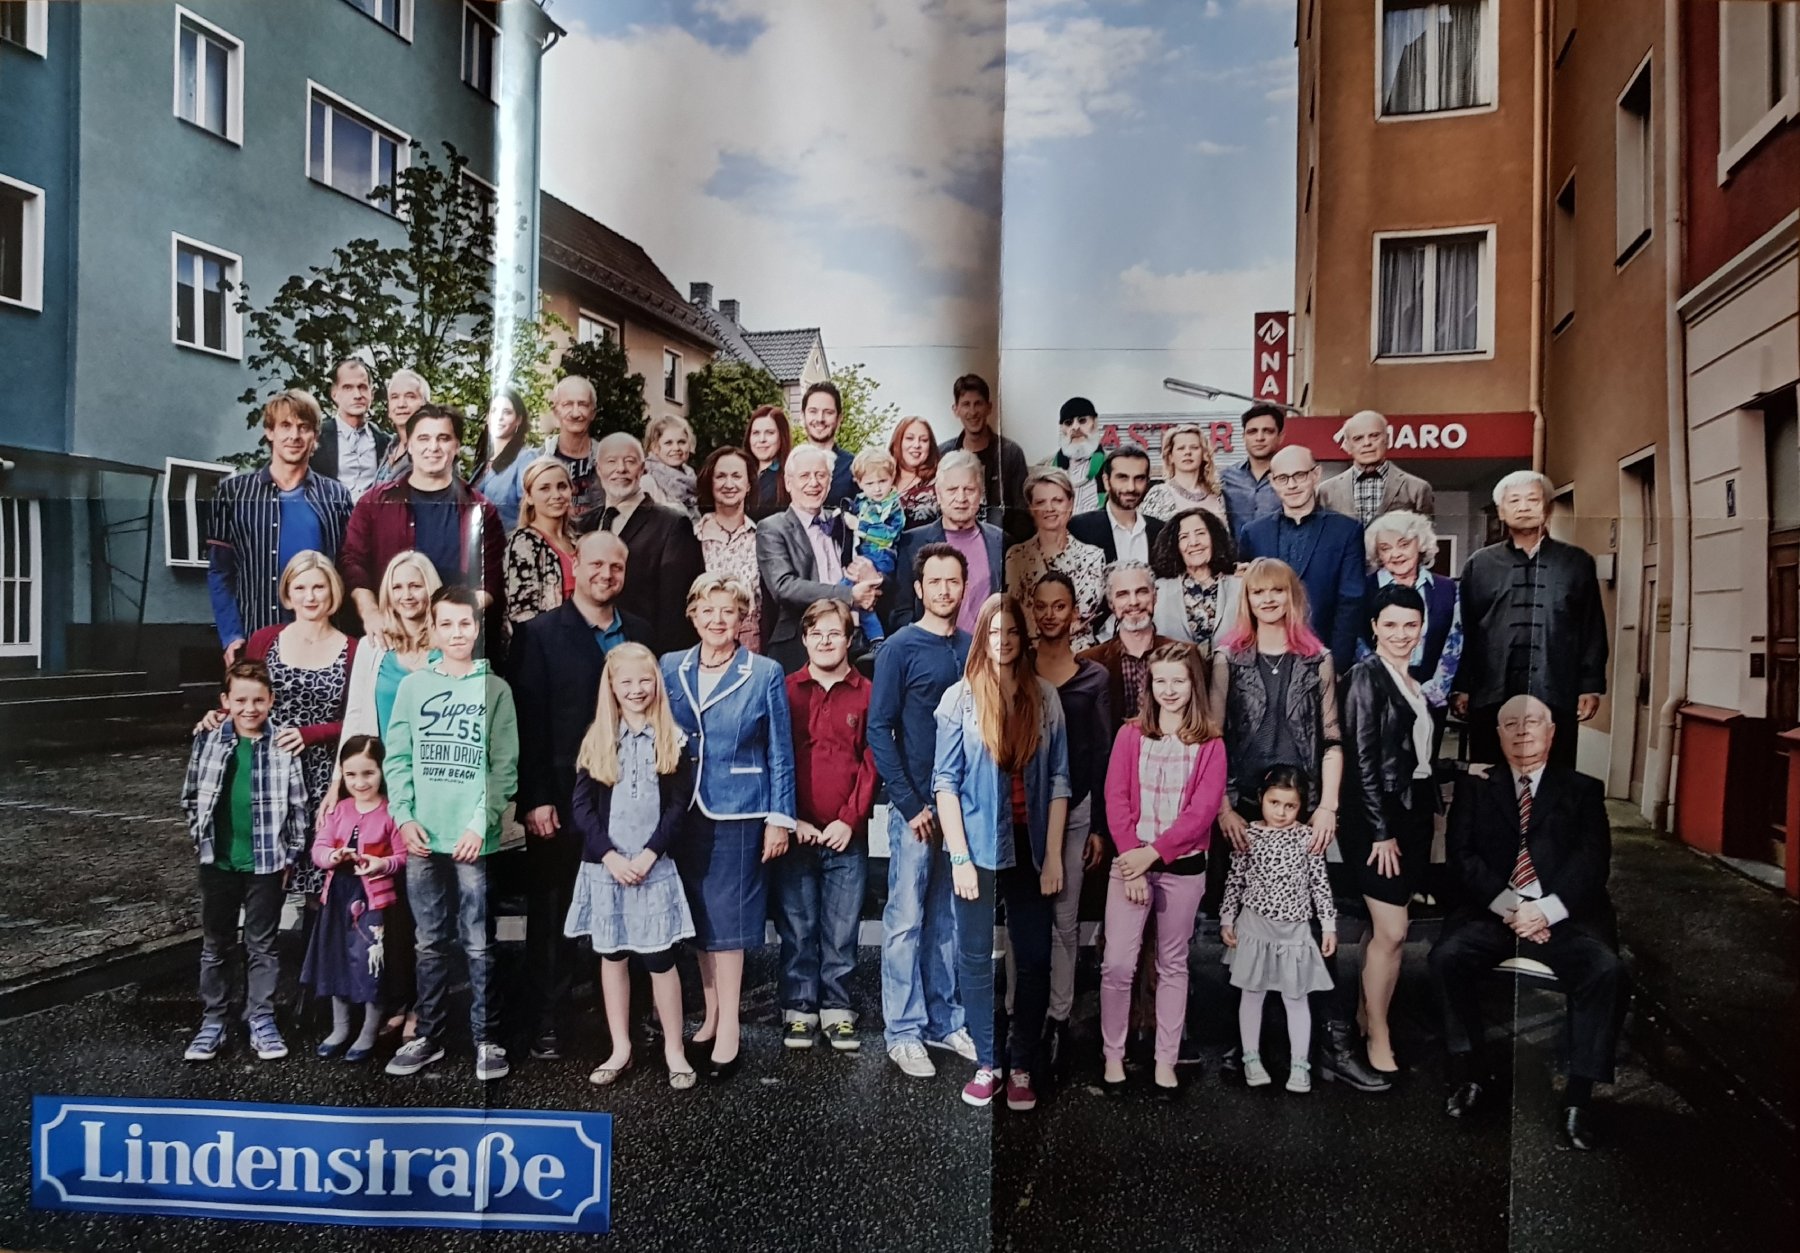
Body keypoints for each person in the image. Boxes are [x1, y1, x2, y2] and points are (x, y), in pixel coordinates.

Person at [1213, 559, 1388, 1091]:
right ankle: (1246, 1047)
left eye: (1278, 592)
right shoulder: (1228, 657)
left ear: (1293, 598)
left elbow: (1332, 739)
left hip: (1303, 807)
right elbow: (1214, 737)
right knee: (1246, 928)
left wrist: (1327, 807)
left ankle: (1330, 1045)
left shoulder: (1318, 659)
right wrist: (1222, 807)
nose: (1268, 600)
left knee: (1310, 927)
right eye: (1258, 592)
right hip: (1246, 805)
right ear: (1247, 599)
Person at [1430, 694, 1623, 1151]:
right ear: (1498, 734)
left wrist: (1546, 910)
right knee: (1445, 959)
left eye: (1533, 722)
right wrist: (1509, 907)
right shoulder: (1478, 788)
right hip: (1497, 911)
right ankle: (1472, 1074)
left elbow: (1592, 862)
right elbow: (1462, 856)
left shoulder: (1582, 789)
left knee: (1606, 971)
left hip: (1560, 914)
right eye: (1511, 724)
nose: (1522, 732)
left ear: (1552, 732)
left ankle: (1579, 1098)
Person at [510, 529, 650, 1061]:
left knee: (631, 902)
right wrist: (535, 797)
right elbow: (529, 722)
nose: (605, 575)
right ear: (576, 566)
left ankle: (630, 1017)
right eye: (596, 565)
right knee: (554, 910)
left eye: (616, 567)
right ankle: (548, 1018)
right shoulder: (539, 634)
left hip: (629, 796)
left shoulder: (640, 632)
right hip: (563, 797)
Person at [933, 593, 1070, 1110]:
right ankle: (987, 1062)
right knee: (973, 958)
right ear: (981, 637)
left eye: (1012, 631)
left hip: (1031, 847)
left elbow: (1059, 781)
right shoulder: (959, 699)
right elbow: (945, 783)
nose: (1003, 640)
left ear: (1023, 637)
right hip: (977, 849)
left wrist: (1053, 856)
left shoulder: (1045, 697)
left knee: (1033, 958)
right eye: (994, 631)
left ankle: (1021, 1064)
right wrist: (960, 858)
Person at [662, 573, 798, 1080]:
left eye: (728, 611)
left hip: (740, 810)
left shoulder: (763, 672)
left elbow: (780, 750)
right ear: (692, 614)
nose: (717, 620)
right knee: (700, 920)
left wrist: (779, 818)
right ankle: (712, 1014)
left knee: (730, 922)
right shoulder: (670, 665)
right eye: (708, 610)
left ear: (743, 619)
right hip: (684, 810)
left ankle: (731, 1030)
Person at [383, 585, 520, 1082]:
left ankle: (487, 1038)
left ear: (477, 629)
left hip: (471, 838)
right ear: (433, 630)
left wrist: (479, 824)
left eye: (466, 623)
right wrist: (404, 816)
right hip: (423, 835)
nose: (457, 633)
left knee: (479, 942)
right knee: (429, 942)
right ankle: (430, 1036)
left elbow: (503, 769)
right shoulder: (413, 687)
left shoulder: (495, 690)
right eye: (447, 624)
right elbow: (397, 758)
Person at [564, 643, 700, 1091]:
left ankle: (674, 1049)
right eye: (626, 681)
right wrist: (609, 855)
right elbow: (582, 807)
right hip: (608, 869)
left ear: (656, 683)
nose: (636, 689)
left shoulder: (672, 737)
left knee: (661, 958)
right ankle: (620, 1048)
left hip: (651, 867)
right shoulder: (597, 739)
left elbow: (678, 806)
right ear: (611, 686)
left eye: (645, 680)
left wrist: (649, 854)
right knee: (613, 956)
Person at [1099, 641, 1227, 1097]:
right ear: (1149, 686)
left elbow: (1201, 813)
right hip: (1130, 864)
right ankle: (1113, 1055)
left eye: (1178, 681)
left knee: (1172, 963)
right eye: (1160, 681)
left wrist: (1150, 855)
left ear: (1194, 684)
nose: (1169, 690)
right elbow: (1116, 799)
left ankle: (1165, 1060)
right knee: (1118, 963)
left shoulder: (1210, 743)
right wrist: (1133, 864)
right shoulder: (1131, 735)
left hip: (1181, 867)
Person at [869, 543, 976, 1078]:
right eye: (934, 581)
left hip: (961, 806)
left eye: (953, 581)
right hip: (915, 807)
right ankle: (903, 1031)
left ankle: (944, 1020)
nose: (944, 590)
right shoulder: (899, 648)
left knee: (947, 920)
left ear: (964, 586)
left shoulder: (971, 646)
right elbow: (878, 729)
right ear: (918, 588)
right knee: (906, 919)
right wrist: (909, 804)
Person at [179, 659, 311, 1064]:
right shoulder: (209, 739)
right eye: (240, 700)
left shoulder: (283, 744)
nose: (249, 708)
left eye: (258, 700)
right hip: (217, 862)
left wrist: (291, 855)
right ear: (225, 700)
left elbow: (299, 807)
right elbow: (191, 795)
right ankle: (213, 1021)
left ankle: (261, 1019)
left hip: (266, 865)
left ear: (270, 700)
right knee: (216, 944)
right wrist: (200, 837)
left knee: (262, 945)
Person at [335, 549, 440, 1042]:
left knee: (426, 907)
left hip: (432, 792)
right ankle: (396, 996)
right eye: (397, 587)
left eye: (415, 584)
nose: (407, 595)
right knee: (387, 903)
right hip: (384, 790)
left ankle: (423, 1004)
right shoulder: (373, 648)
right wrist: (338, 789)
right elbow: (357, 720)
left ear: (430, 588)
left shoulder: (446, 644)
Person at [209, 552, 357, 902]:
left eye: (319, 587)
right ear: (287, 594)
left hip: (321, 776)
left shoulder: (353, 649)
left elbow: (358, 719)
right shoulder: (265, 639)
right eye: (300, 588)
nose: (310, 597)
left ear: (333, 592)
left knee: (318, 877)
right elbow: (245, 694)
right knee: (265, 877)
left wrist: (311, 734)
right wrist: (219, 714)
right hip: (268, 771)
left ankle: (314, 938)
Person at [1340, 583, 1436, 1076]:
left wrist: (1463, 770)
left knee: (1383, 931)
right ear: (1375, 627)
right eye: (1391, 624)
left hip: (1412, 817)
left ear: (1422, 628)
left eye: (1411, 624)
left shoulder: (1414, 683)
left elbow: (1415, 760)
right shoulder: (1365, 677)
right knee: (1394, 932)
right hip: (1376, 821)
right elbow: (1361, 761)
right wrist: (1380, 831)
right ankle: (1379, 1033)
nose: (1401, 634)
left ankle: (1365, 1015)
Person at [1451, 471, 1608, 771]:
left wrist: (1590, 686)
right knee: (1490, 776)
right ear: (1501, 511)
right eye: (1514, 501)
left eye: (1532, 500)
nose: (1523, 507)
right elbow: (1465, 631)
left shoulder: (1576, 563)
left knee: (1553, 778)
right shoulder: (1480, 564)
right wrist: (1463, 686)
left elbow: (1591, 628)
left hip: (1555, 689)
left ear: (1547, 508)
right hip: (1492, 691)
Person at [775, 600, 878, 1053]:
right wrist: (789, 817)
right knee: (798, 926)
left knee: (841, 928)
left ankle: (837, 1008)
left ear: (850, 639)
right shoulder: (786, 690)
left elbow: (872, 761)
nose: (825, 641)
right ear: (803, 638)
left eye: (835, 633)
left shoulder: (866, 693)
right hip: (797, 830)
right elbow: (776, 756)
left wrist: (850, 819)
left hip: (844, 834)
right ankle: (799, 1009)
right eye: (816, 633)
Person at [1028, 572, 1110, 1075]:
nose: (1051, 615)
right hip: (1024, 812)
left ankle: (1057, 1017)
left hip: (1076, 809)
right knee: (1026, 918)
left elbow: (1101, 751)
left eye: (1060, 606)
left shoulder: (1093, 677)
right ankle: (1022, 1012)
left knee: (1065, 917)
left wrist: (1098, 824)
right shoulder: (1018, 667)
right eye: (1042, 606)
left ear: (1075, 613)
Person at [206, 389, 353, 666]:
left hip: (322, 642)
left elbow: (348, 568)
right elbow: (219, 572)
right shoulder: (233, 493)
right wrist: (231, 635)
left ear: (315, 436)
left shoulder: (336, 496)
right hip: (256, 638)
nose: (294, 436)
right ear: (269, 432)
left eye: (304, 427)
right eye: (285, 425)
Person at [341, 404, 505, 650]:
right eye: (423, 438)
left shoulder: (481, 509)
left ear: (457, 445)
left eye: (444, 438)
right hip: (391, 640)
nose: (433, 447)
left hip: (455, 645)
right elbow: (352, 563)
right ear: (409, 445)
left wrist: (455, 618)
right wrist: (371, 612)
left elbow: (492, 580)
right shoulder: (374, 503)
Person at [1219, 765, 1337, 1094]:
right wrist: (1227, 918)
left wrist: (1328, 925)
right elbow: (1235, 880)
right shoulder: (1249, 835)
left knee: (1296, 997)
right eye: (1274, 803)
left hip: (1294, 932)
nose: (1281, 812)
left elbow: (1320, 885)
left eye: (1290, 806)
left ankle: (1300, 1065)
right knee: (1251, 994)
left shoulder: (1308, 838)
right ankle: (1251, 1058)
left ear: (1301, 806)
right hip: (1254, 927)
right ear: (1261, 798)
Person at [301, 735, 405, 1064]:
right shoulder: (340, 809)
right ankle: (341, 1028)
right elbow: (319, 848)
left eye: (368, 773)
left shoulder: (391, 811)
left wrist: (381, 864)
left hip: (372, 900)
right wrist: (332, 856)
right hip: (338, 895)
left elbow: (402, 856)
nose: (360, 783)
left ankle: (368, 1031)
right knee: (336, 958)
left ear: (382, 771)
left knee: (369, 962)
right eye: (351, 775)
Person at [1238, 444, 1367, 673]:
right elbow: (1247, 602)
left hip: (1323, 656)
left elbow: (1350, 602)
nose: (1292, 485)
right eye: (1283, 478)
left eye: (1299, 475)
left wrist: (1335, 666)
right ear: (1272, 481)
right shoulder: (1253, 533)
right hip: (1265, 661)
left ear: (1316, 474)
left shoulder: (1346, 531)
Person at [756, 444, 882, 672]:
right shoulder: (772, 528)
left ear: (830, 482)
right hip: (798, 646)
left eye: (820, 475)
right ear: (788, 483)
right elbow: (783, 586)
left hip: (852, 644)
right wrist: (849, 595)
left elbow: (878, 557)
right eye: (804, 476)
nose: (813, 483)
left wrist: (873, 581)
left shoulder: (844, 520)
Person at [588, 432, 707, 655]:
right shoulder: (586, 524)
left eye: (630, 461)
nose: (621, 469)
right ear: (599, 469)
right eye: (611, 461)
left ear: (643, 469)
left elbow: (676, 611)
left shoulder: (672, 525)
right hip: (590, 654)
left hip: (645, 656)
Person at [1363, 509, 1462, 757]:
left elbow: (1455, 640)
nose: (1395, 554)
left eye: (1404, 544)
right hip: (1378, 690)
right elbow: (1356, 639)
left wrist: (1436, 689)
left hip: (1429, 689)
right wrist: (1381, 684)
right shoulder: (1364, 588)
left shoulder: (1447, 588)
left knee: (1424, 763)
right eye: (1385, 548)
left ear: (1420, 544)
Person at [887, 450, 1005, 635]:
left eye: (969, 489)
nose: (961, 498)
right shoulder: (911, 543)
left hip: (987, 649)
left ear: (981, 493)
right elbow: (900, 613)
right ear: (938, 493)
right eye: (952, 490)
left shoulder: (1000, 540)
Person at [1005, 467, 1106, 652]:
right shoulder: (1016, 556)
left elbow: (1083, 614)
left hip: (1081, 656)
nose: (1049, 508)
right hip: (1032, 658)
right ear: (1031, 508)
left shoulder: (1092, 557)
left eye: (1057, 501)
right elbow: (1019, 617)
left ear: (1071, 503)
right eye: (1040, 502)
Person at [1078, 562, 1174, 732]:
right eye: (1122, 594)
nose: (1134, 602)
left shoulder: (1182, 654)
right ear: (1111, 603)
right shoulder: (1088, 662)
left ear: (1155, 596)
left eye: (1142, 592)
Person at [939, 373, 1030, 542]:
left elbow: (1022, 513)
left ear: (989, 407)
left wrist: (1008, 548)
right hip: (953, 542)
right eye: (966, 404)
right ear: (956, 410)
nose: (973, 412)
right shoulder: (944, 454)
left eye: (978, 404)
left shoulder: (1010, 453)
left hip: (1000, 545)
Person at [694, 446, 762, 650]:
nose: (729, 484)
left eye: (737, 476)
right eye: (721, 476)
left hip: (754, 647)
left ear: (748, 484)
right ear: (710, 482)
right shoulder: (693, 536)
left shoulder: (762, 537)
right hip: (705, 644)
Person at [1317, 410, 1436, 526]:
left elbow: (1425, 536)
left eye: (1374, 436)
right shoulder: (1326, 492)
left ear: (1387, 439)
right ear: (1347, 446)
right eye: (1358, 438)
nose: (1367, 443)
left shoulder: (1417, 489)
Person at [1151, 506, 1242, 654]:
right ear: (1175, 545)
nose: (1193, 542)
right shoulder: (1158, 589)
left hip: (1232, 667)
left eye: (1200, 533)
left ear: (1214, 538)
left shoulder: (1240, 585)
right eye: (1184, 537)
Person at [503, 458, 578, 626]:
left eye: (562, 486)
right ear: (529, 497)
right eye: (545, 488)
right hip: (548, 638)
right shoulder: (523, 543)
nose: (556, 495)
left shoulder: (577, 540)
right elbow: (522, 613)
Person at [845, 446, 907, 649]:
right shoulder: (862, 501)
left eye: (882, 481)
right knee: (851, 592)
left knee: (855, 590)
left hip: (882, 556)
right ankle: (870, 637)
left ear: (892, 478)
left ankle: (875, 637)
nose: (877, 489)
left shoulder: (893, 505)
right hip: (863, 554)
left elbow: (888, 535)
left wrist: (859, 526)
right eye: (870, 483)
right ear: (859, 483)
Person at [1069, 443, 1164, 567]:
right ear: (1106, 481)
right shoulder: (1080, 528)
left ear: (1147, 482)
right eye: (1122, 478)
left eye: (1139, 478)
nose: (1131, 487)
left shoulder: (1160, 531)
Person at [313, 357, 390, 501]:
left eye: (362, 387)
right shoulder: (317, 437)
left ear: (371, 394)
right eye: (348, 388)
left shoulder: (385, 442)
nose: (357, 395)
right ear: (334, 394)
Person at [471, 387, 539, 533]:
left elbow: (532, 511)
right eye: (494, 411)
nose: (499, 417)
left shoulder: (525, 458)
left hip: (510, 542)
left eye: (507, 412)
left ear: (518, 420)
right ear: (487, 418)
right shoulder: (483, 462)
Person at [1220, 403, 1286, 541]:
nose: (1259, 438)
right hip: (1235, 554)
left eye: (1268, 431)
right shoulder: (1224, 477)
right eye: (1252, 431)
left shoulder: (1292, 479)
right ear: (1243, 437)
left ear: (1280, 437)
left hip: (1280, 554)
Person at [1141, 423, 1230, 526]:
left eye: (1194, 447)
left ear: (1204, 454)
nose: (1187, 452)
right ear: (1170, 457)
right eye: (1181, 448)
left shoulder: (1217, 495)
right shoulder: (1159, 494)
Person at [544, 375, 605, 523]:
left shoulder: (608, 460)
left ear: (593, 413)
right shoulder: (538, 460)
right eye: (567, 404)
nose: (576, 413)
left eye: (583, 404)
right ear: (555, 412)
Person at [799, 381, 857, 508]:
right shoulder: (790, 465)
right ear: (803, 416)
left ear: (839, 418)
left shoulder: (854, 468)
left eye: (828, 412)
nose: (820, 419)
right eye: (813, 411)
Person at [372, 368, 432, 485]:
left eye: (410, 396)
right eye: (394, 397)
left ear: (426, 405)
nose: (401, 404)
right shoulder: (392, 446)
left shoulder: (434, 448)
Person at [1051, 396, 1107, 514]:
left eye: (1082, 420)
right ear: (1062, 429)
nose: (1075, 427)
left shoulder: (1111, 463)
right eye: (1068, 423)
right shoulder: (1048, 468)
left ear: (1095, 423)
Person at [889, 415, 941, 529]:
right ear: (898, 442)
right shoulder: (882, 479)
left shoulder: (940, 482)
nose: (917, 445)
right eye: (910, 438)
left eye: (924, 440)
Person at [643, 414, 699, 518]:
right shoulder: (648, 482)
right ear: (655, 447)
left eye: (682, 442)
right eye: (668, 443)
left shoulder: (691, 479)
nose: (676, 448)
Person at [744, 404, 793, 521]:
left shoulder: (790, 476)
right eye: (756, 433)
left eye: (770, 433)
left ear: (782, 436)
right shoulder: (741, 472)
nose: (762, 439)